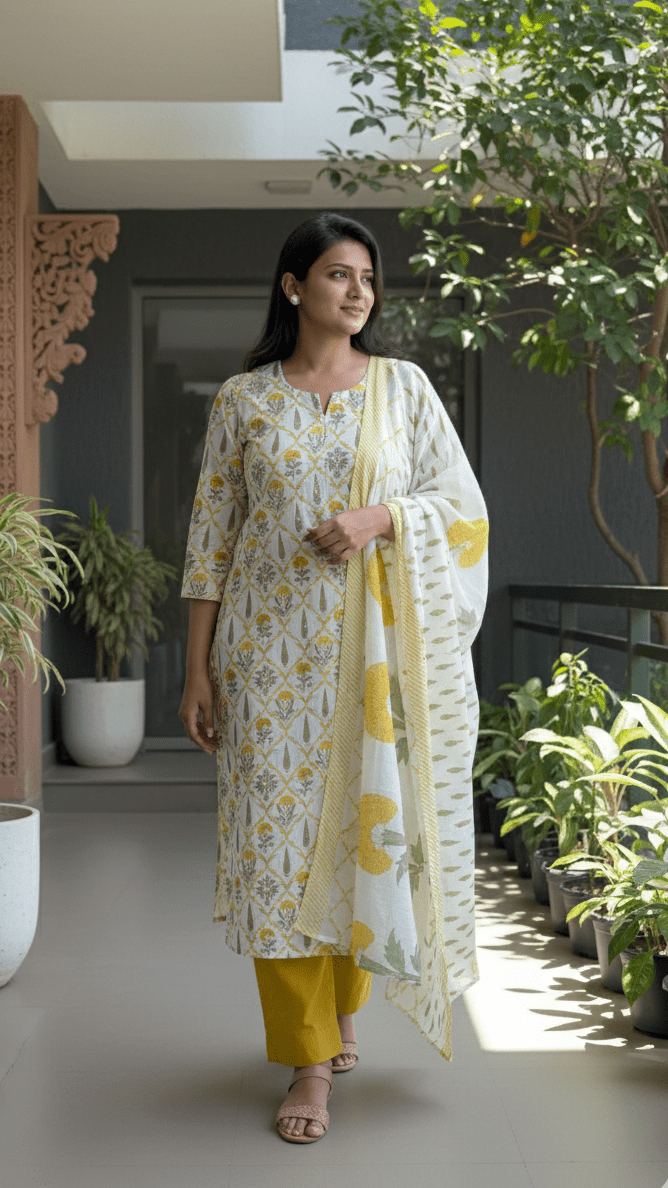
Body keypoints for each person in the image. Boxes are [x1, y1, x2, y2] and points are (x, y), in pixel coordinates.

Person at [179, 211, 489, 1144]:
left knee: (366, 834)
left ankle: (342, 1003)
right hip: (266, 669)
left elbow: (460, 505)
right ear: (293, 287)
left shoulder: (404, 388)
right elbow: (210, 543)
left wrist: (381, 518)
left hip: (371, 665)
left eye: (366, 278)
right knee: (276, 860)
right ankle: (308, 1062)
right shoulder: (242, 401)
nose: (357, 292)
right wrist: (196, 670)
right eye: (337, 275)